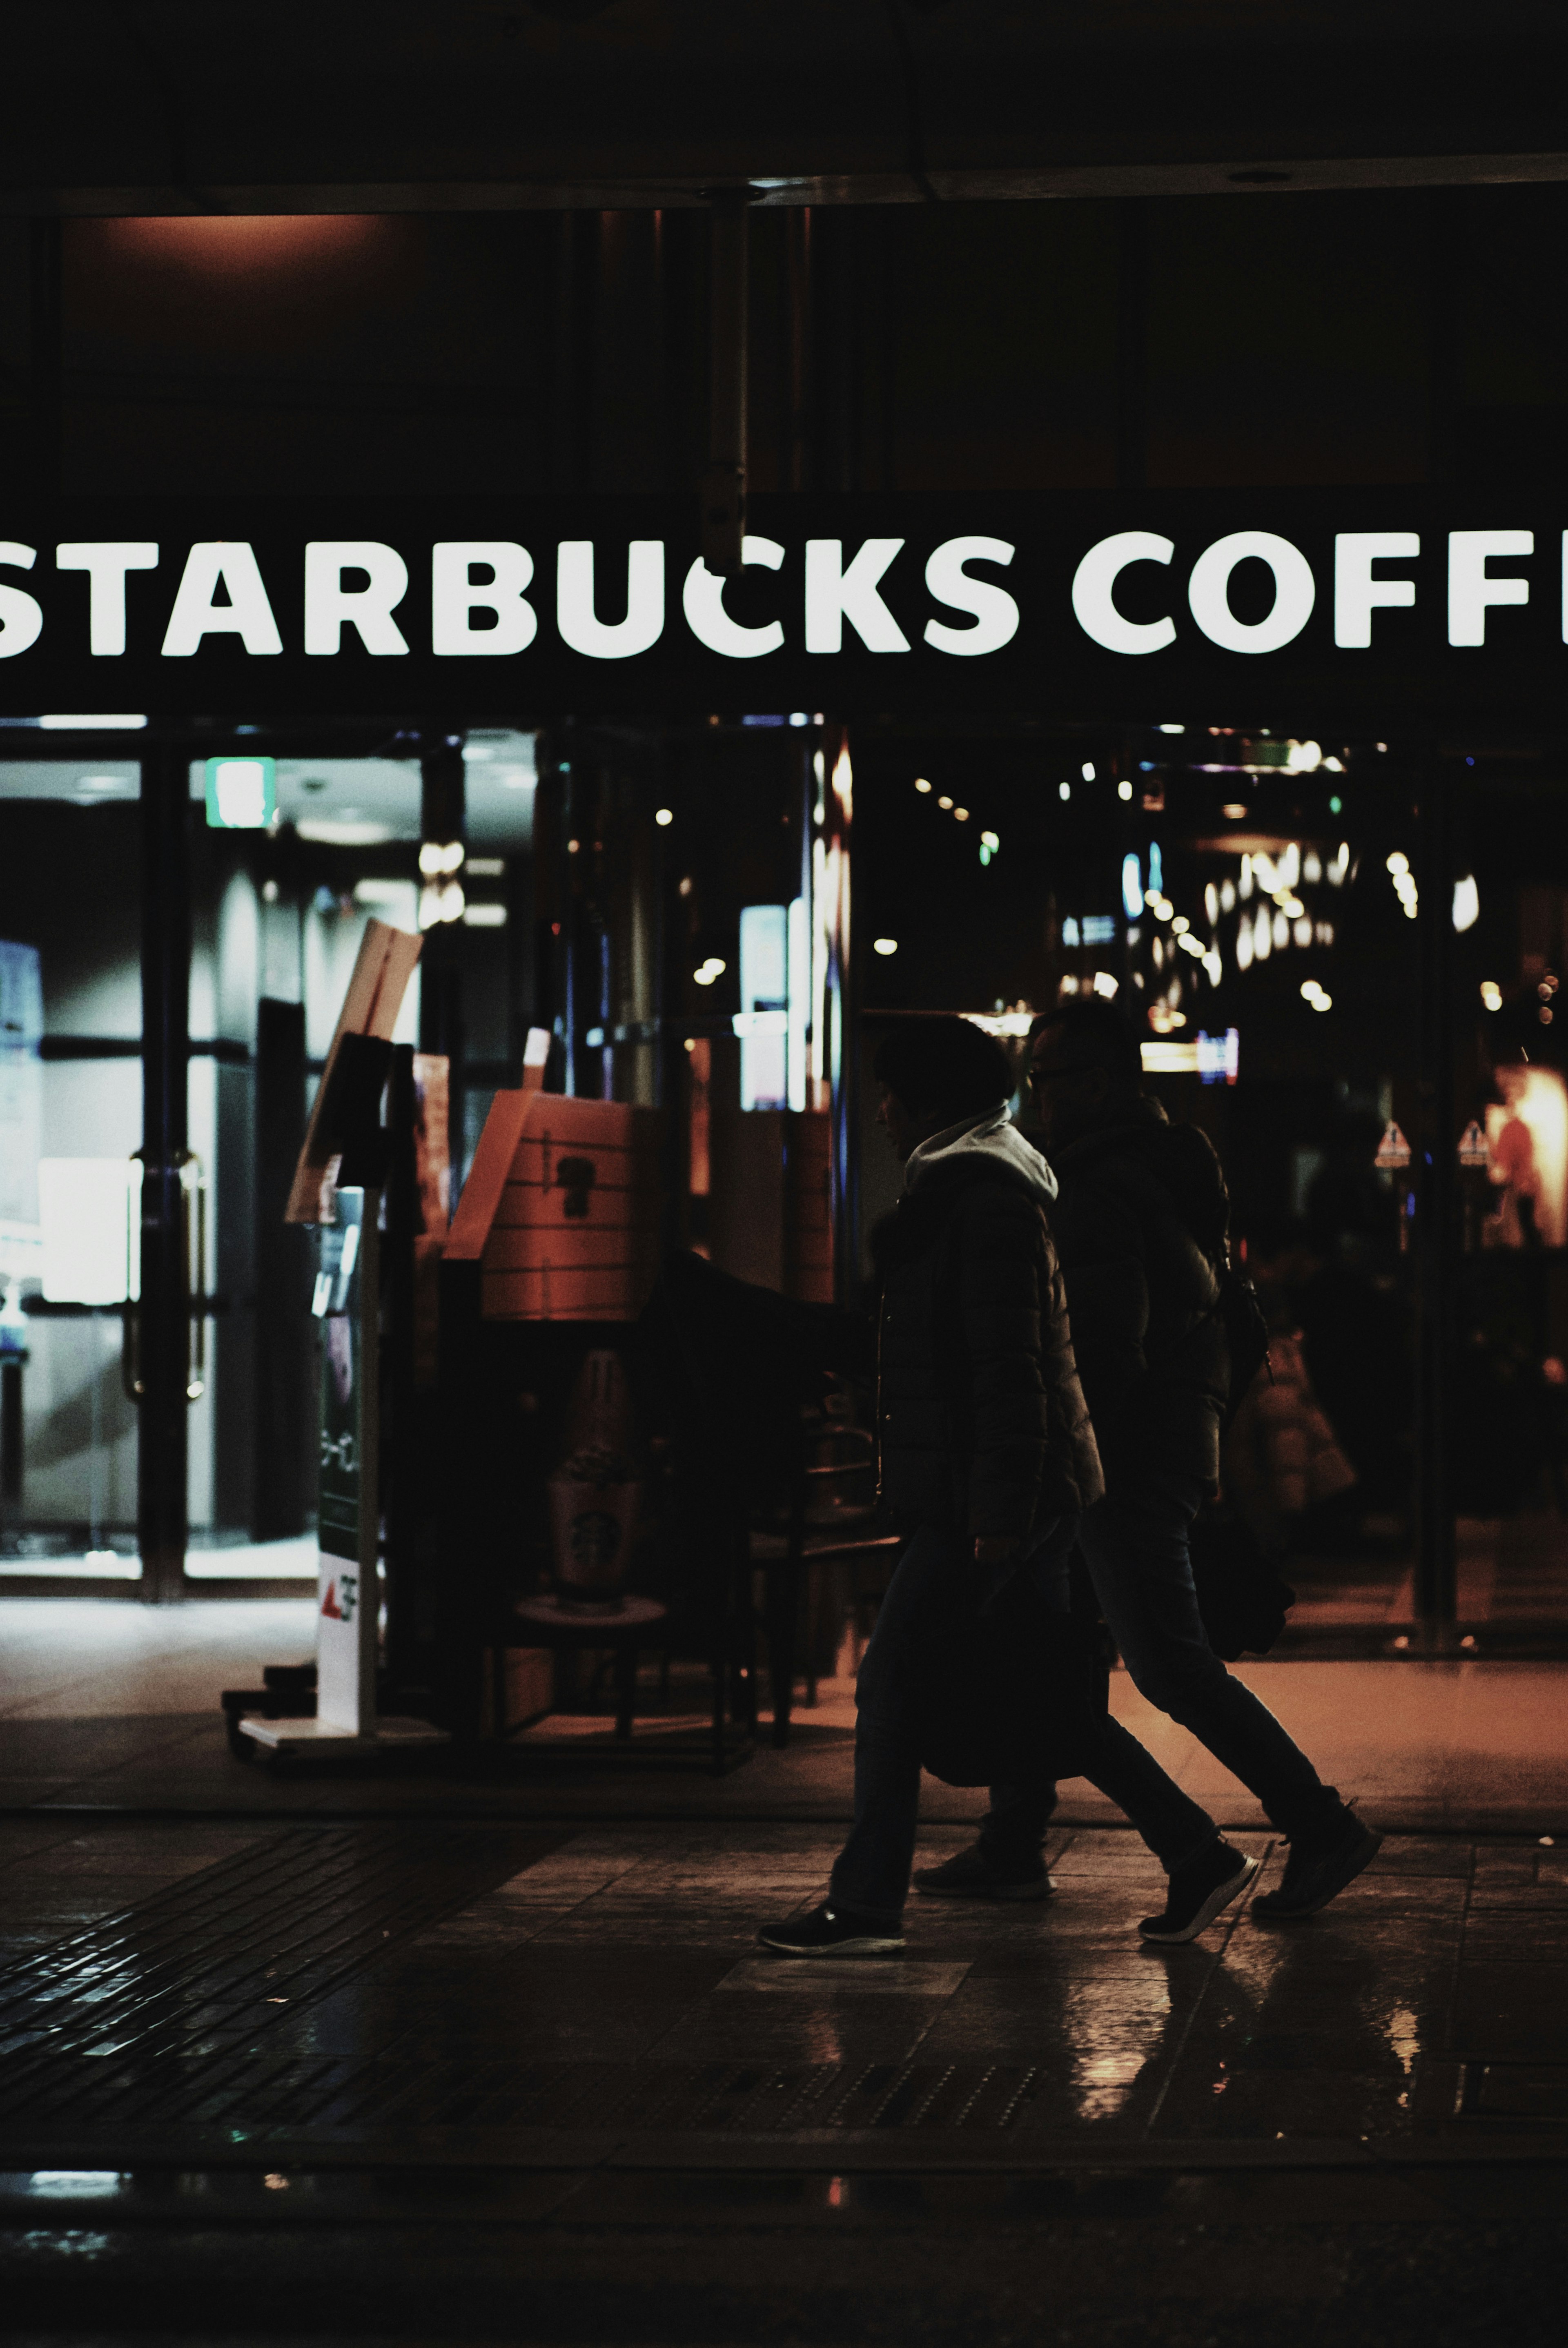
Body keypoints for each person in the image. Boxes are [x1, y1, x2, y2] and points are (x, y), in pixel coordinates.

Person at [925, 997, 1380, 1928]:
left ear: (1097, 1080)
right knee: (1049, 1642)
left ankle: (1317, 1823)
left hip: (1116, 1456)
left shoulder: (1098, 1185)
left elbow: (1095, 1347)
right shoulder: (1162, 1168)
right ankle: (1020, 1835)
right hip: (1148, 1444)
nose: (1032, 1097)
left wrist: (1051, 1457)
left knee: (1166, 1662)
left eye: (1044, 1078)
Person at [757, 1016, 1105, 1956]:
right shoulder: (987, 1186)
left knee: (891, 1682)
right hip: (1019, 1490)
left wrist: (995, 1517)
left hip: (987, 1497)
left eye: (888, 1094)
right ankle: (1021, 1851)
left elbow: (1007, 1375)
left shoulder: (977, 1198)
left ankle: (867, 1900)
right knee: (1041, 1682)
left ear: (925, 1102)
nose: (877, 1111)